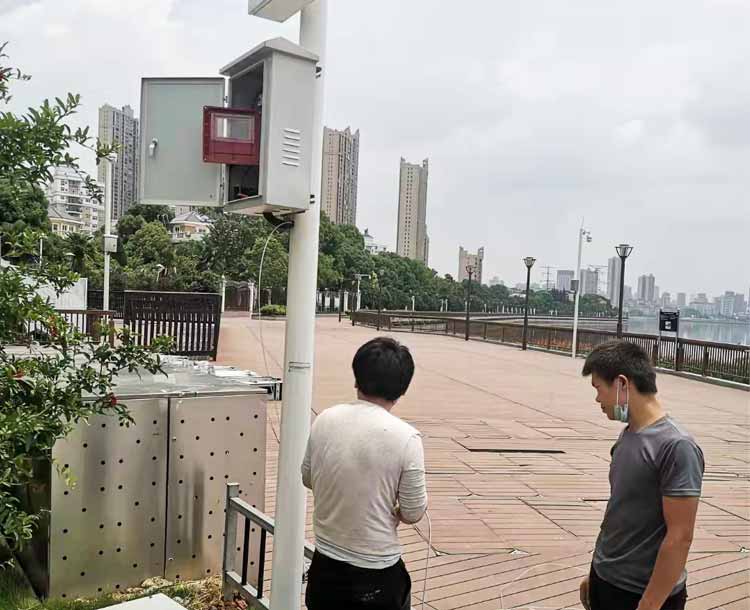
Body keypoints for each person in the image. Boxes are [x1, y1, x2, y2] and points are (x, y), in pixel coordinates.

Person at [302, 336, 428, 610]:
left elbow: (307, 477)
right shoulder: (406, 438)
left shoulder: (325, 419)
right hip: (377, 572)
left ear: (357, 378)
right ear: (402, 388)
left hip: (325, 564)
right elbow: (413, 512)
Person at [579, 340, 704, 610]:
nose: (597, 399)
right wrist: (595, 571)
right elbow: (618, 511)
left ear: (622, 384)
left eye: (598, 388)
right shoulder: (629, 434)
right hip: (606, 579)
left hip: (641, 594)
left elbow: (680, 536)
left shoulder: (676, 446)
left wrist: (650, 604)